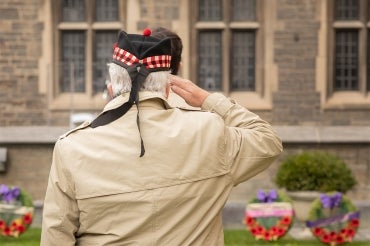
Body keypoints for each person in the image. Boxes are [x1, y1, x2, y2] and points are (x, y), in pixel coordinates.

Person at [41, 29, 283, 245]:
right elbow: (267, 140)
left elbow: (56, 236)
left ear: (111, 88)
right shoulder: (210, 131)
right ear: (168, 88)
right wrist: (209, 100)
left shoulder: (72, 147)